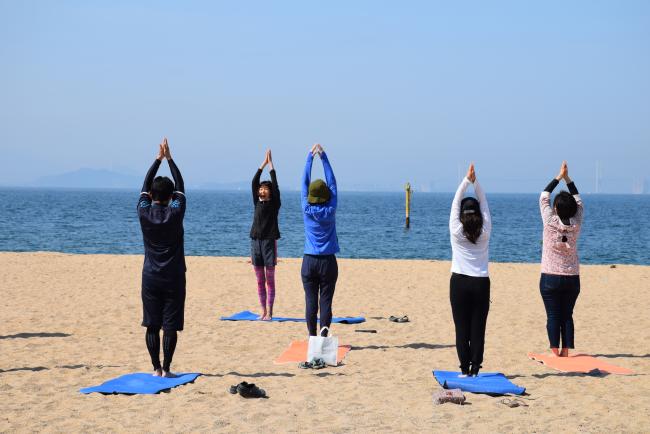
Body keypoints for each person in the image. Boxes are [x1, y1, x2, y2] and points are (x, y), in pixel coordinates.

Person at [137, 137, 186, 377]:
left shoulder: (143, 212)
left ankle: (156, 368)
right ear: (169, 198)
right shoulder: (175, 213)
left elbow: (144, 187)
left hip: (151, 276)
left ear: (152, 196)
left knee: (151, 323)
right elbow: (181, 187)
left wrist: (157, 160)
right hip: (174, 276)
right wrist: (170, 159)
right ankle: (166, 368)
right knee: (170, 325)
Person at [449, 163, 492, 377]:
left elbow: (455, 203)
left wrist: (467, 181)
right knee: (478, 328)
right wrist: (476, 184)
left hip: (459, 282)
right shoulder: (484, 231)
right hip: (481, 282)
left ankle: (464, 369)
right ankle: (475, 368)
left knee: (461, 328)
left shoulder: (457, 230)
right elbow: (483, 203)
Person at [539, 161, 583, 357]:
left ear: (556, 208)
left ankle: (555, 352)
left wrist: (559, 177)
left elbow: (543, 196)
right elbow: (578, 201)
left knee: (553, 315)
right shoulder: (577, 222)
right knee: (567, 314)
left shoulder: (550, 221)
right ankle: (566, 351)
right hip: (572, 277)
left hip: (550, 277)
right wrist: (568, 179)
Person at [301, 144, 339, 337]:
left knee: (310, 301)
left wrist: (310, 157)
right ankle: (322, 337)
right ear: (326, 196)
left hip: (309, 261)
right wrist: (323, 157)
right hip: (328, 262)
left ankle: (311, 337)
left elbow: (304, 182)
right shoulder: (331, 209)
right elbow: (332, 183)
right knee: (325, 302)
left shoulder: (306, 209)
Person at [250, 149, 281, 320]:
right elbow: (253, 181)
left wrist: (271, 166)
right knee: (259, 280)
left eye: (264, 188)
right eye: (260, 188)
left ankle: (270, 311)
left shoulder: (275, 203)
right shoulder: (257, 203)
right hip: (255, 243)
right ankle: (262, 311)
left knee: (270, 280)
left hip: (269, 243)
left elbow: (275, 186)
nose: (261, 189)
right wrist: (262, 164)